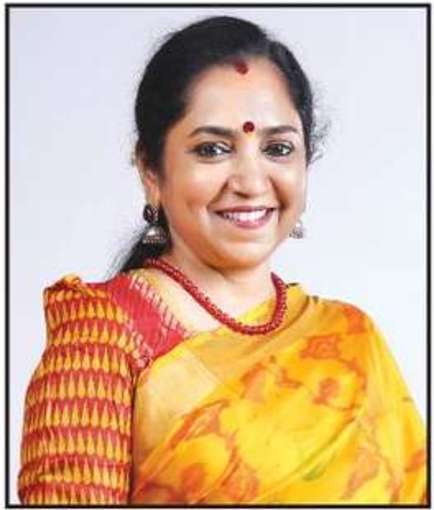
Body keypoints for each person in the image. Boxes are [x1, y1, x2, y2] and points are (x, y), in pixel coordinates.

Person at [17, 15, 426, 505]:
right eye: (212, 149)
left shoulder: (351, 338)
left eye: (278, 148)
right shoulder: (104, 335)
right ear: (151, 171)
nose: (251, 181)